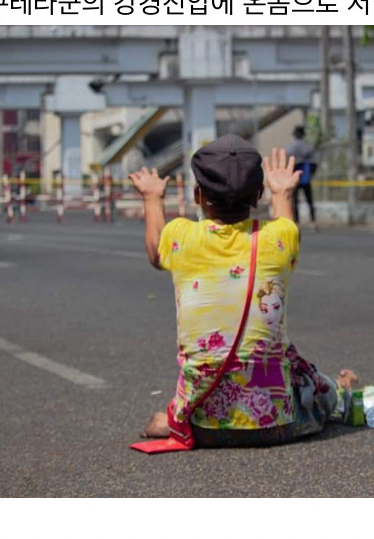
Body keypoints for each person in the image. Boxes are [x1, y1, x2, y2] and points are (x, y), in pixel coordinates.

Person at [128, 134, 357, 448]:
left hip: (202, 424)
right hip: (276, 425)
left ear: (198, 195)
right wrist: (283, 193)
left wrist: (152, 198)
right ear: (258, 193)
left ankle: (172, 419)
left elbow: (155, 252)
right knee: (313, 387)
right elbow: (286, 226)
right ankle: (339, 389)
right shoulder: (279, 238)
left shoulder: (180, 235)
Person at [285, 126, 318, 232]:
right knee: (310, 200)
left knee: (295, 201)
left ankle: (297, 223)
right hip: (306, 176)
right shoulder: (309, 147)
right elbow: (315, 162)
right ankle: (313, 222)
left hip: (295, 177)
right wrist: (311, 173)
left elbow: (286, 163)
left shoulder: (290, 147)